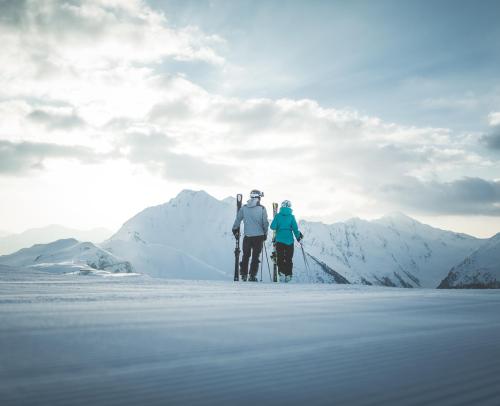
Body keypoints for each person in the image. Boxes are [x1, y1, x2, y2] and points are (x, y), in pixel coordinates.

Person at [232, 190, 269, 282]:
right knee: (255, 257)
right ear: (257, 198)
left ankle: (244, 274)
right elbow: (265, 223)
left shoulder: (244, 208)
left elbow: (238, 219)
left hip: (247, 236)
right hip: (259, 236)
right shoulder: (262, 209)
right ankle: (252, 276)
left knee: (246, 255)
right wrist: (265, 233)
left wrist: (235, 229)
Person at [270, 200, 303, 283]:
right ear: (289, 207)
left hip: (279, 240)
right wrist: (298, 237)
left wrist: (278, 225)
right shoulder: (292, 217)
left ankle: (281, 273)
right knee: (289, 258)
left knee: (280, 257)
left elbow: (272, 227)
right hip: (289, 240)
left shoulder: (277, 216)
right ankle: (288, 275)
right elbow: (295, 229)